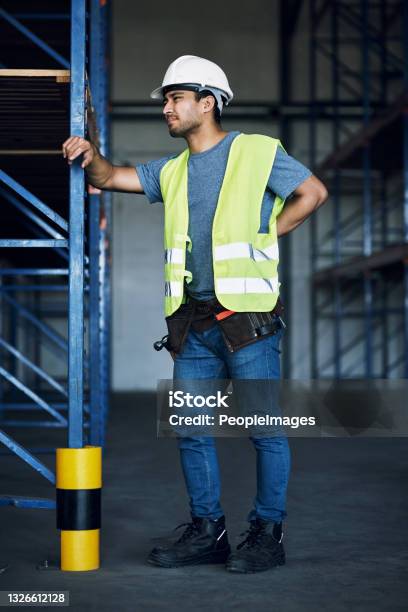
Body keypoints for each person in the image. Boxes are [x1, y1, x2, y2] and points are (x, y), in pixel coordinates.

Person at [62, 55, 328, 574]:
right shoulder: (173, 171)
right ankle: (209, 531)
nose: (167, 108)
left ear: (207, 103)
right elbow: (111, 177)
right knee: (191, 428)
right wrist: (91, 155)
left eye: (175, 98)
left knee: (264, 431)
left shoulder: (255, 152)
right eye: (166, 100)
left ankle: (267, 532)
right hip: (194, 326)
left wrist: (266, 236)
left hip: (247, 324)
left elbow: (312, 193)